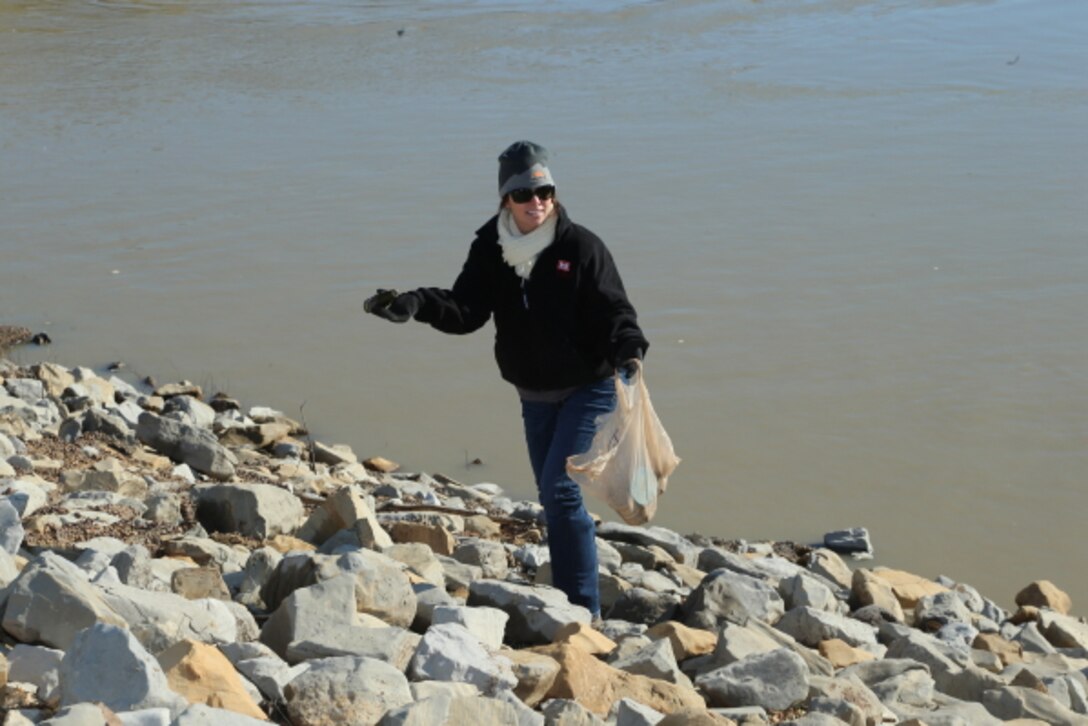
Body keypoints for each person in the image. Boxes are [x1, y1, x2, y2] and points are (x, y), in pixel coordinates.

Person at [364, 140, 648, 618]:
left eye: (545, 191)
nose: (536, 202)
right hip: (534, 393)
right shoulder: (491, 249)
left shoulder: (580, 247)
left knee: (559, 491)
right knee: (552, 494)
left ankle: (583, 610)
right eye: (524, 194)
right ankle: (569, 594)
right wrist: (414, 303)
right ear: (505, 200)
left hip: (590, 385)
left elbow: (615, 310)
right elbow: (466, 310)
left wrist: (630, 348)